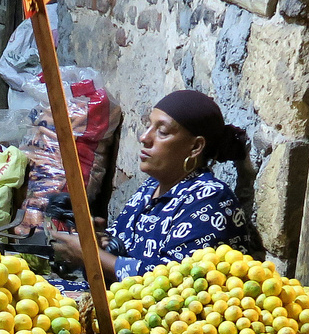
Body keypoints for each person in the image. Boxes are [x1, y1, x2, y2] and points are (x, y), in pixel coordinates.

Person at [49, 89, 256, 289]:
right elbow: (123, 253)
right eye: (148, 126)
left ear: (195, 147)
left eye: (162, 132)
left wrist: (90, 256)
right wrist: (100, 239)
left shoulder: (212, 201)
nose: (144, 137)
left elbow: (173, 282)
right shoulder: (150, 188)